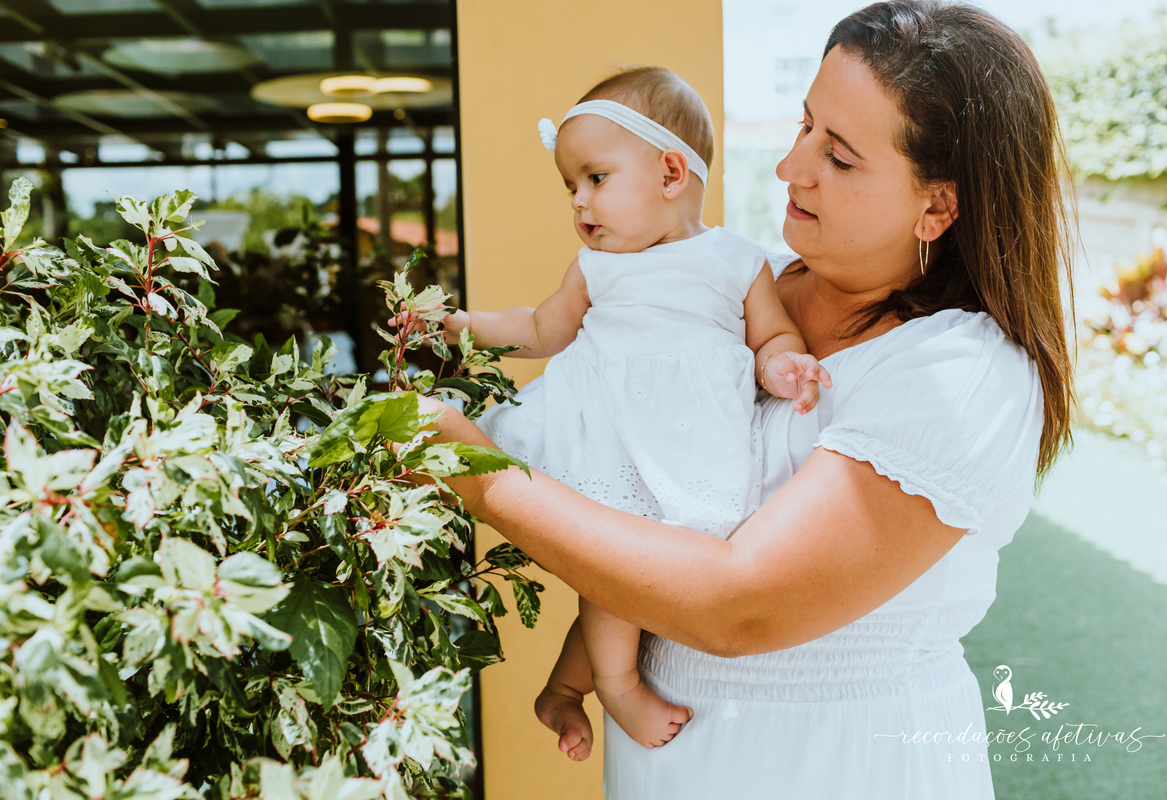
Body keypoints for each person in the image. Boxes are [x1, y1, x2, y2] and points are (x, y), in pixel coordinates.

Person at [420, 1, 1076, 796]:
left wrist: (477, 470)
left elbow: (743, 606)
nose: (789, 168)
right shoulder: (726, 289)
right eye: (804, 126)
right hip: (667, 759)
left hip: (839, 765)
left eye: (838, 157)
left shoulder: (960, 374)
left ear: (937, 205)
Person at [440, 67, 831, 756]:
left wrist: (783, 366)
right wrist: (465, 325)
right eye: (571, 186)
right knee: (618, 572)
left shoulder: (737, 262)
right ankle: (617, 688)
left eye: (595, 178)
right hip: (607, 433)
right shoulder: (596, 268)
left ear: (671, 174)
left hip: (684, 440)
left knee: (633, 582)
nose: (578, 202)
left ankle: (563, 688)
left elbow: (770, 335)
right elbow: (541, 328)